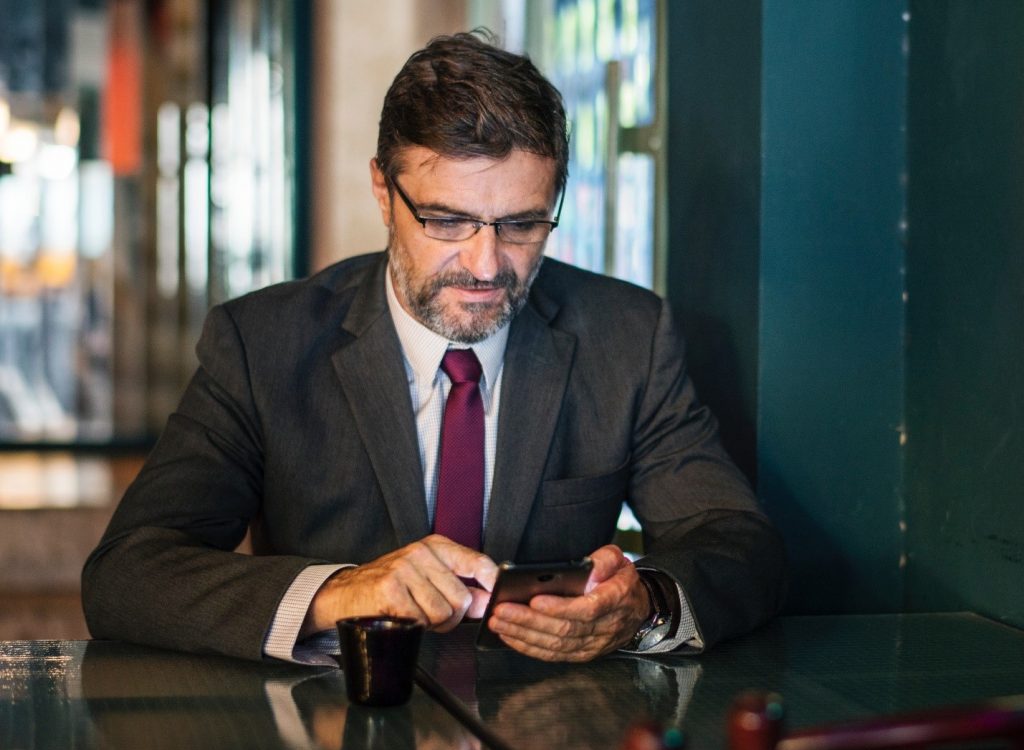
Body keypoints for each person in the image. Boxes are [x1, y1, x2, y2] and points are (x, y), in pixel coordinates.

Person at [81, 30, 785, 666]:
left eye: (521, 226)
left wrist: (645, 605)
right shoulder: (262, 345)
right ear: (384, 193)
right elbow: (126, 576)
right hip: (333, 738)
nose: (485, 265)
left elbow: (739, 544)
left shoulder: (627, 336)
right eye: (448, 221)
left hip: (552, 739)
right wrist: (340, 592)